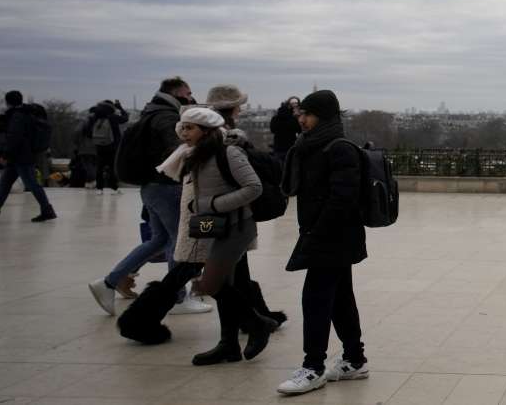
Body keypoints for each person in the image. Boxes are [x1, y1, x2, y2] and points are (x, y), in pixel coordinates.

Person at [157, 105, 271, 365]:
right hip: (211, 224)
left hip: (235, 227)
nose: (183, 133)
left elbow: (254, 187)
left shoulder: (228, 152)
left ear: (206, 130)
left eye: (190, 128)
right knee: (224, 284)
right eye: (182, 127)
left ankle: (257, 323)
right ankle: (228, 344)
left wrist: (214, 204)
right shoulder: (193, 154)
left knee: (209, 284)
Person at [90, 78, 211, 316]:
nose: (190, 96)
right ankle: (177, 298)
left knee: (159, 240)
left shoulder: (150, 113)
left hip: (151, 186)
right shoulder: (166, 117)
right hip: (166, 185)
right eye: (187, 93)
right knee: (179, 240)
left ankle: (109, 282)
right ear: (176, 93)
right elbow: (179, 149)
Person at [277, 89, 369, 395]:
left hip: (331, 236)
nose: (301, 119)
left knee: (315, 299)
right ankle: (355, 359)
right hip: (325, 234)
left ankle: (313, 367)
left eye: (307, 114)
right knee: (340, 299)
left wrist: (316, 235)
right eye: (300, 113)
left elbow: (343, 198)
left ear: (324, 116)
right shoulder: (312, 146)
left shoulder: (339, 148)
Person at [204, 84, 287, 330]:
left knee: (228, 268)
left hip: (213, 213)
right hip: (220, 213)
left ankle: (249, 321)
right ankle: (253, 319)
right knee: (207, 269)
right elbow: (252, 185)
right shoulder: (227, 138)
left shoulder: (208, 135)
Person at [0, 91, 57, 223]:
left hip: (21, 156)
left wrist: (5, 154)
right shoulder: (25, 113)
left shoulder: (17, 116)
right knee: (4, 185)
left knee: (32, 184)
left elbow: (15, 137)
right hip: (19, 156)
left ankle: (47, 210)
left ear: (7, 102)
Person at [85, 100, 129, 194]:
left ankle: (99, 188)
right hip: (113, 146)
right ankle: (114, 188)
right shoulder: (112, 117)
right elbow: (125, 118)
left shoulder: (95, 118)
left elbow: (88, 133)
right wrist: (120, 107)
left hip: (99, 147)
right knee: (112, 167)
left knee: (99, 168)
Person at [269, 96, 301, 163]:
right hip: (290, 147)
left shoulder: (275, 118)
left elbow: (272, 130)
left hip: (278, 147)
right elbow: (299, 130)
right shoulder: (293, 119)